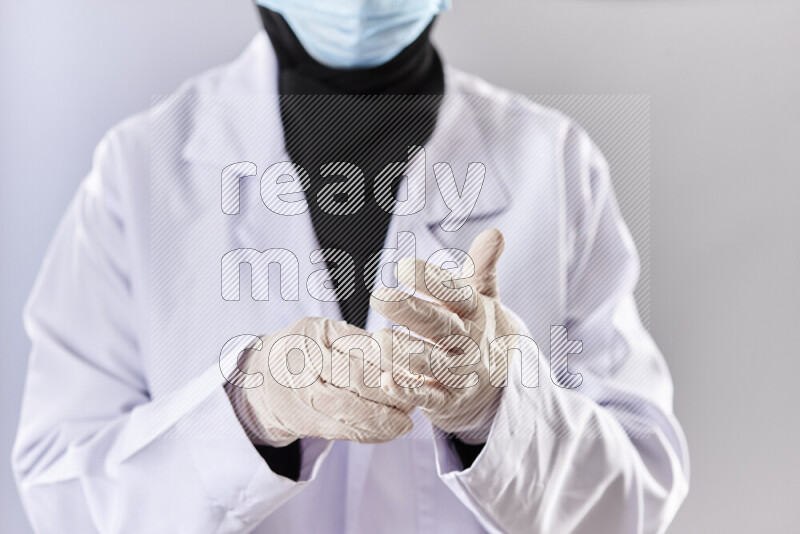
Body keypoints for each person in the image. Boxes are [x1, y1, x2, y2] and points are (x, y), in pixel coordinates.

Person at [12, 1, 689, 532]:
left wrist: (497, 410)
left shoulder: (556, 162)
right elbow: (59, 497)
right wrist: (248, 413)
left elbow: (638, 494)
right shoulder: (140, 169)